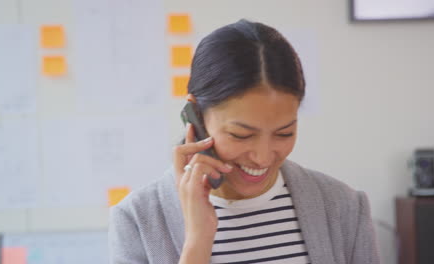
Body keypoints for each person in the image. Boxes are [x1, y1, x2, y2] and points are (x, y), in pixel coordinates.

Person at [109, 19, 380, 264]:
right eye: (241, 135)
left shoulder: (344, 207)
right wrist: (197, 241)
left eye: (284, 132)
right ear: (196, 116)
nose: (262, 158)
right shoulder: (138, 220)